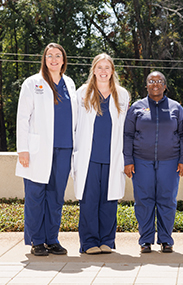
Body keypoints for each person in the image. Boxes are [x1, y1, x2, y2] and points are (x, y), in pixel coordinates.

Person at [16, 43, 77, 256]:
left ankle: (52, 238)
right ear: (44, 59)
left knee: (56, 196)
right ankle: (37, 240)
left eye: (57, 55)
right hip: (37, 150)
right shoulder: (32, 83)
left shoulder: (69, 83)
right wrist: (22, 149)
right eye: (49, 55)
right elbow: (23, 118)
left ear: (63, 60)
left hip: (64, 148)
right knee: (35, 195)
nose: (53, 59)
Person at [123, 71, 183, 253]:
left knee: (167, 200)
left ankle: (166, 239)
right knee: (144, 200)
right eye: (151, 81)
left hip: (170, 161)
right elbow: (127, 134)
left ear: (165, 86)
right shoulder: (137, 107)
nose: (155, 84)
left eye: (159, 81)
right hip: (141, 161)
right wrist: (128, 160)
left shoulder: (176, 108)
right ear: (147, 85)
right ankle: (145, 240)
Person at [73, 54, 130, 254]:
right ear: (94, 70)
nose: (103, 71)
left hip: (112, 157)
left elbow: (124, 129)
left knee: (109, 201)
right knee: (89, 201)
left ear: (112, 71)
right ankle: (88, 243)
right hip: (88, 158)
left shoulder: (122, 95)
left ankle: (107, 241)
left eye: (107, 67)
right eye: (100, 67)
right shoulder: (82, 93)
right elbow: (74, 126)